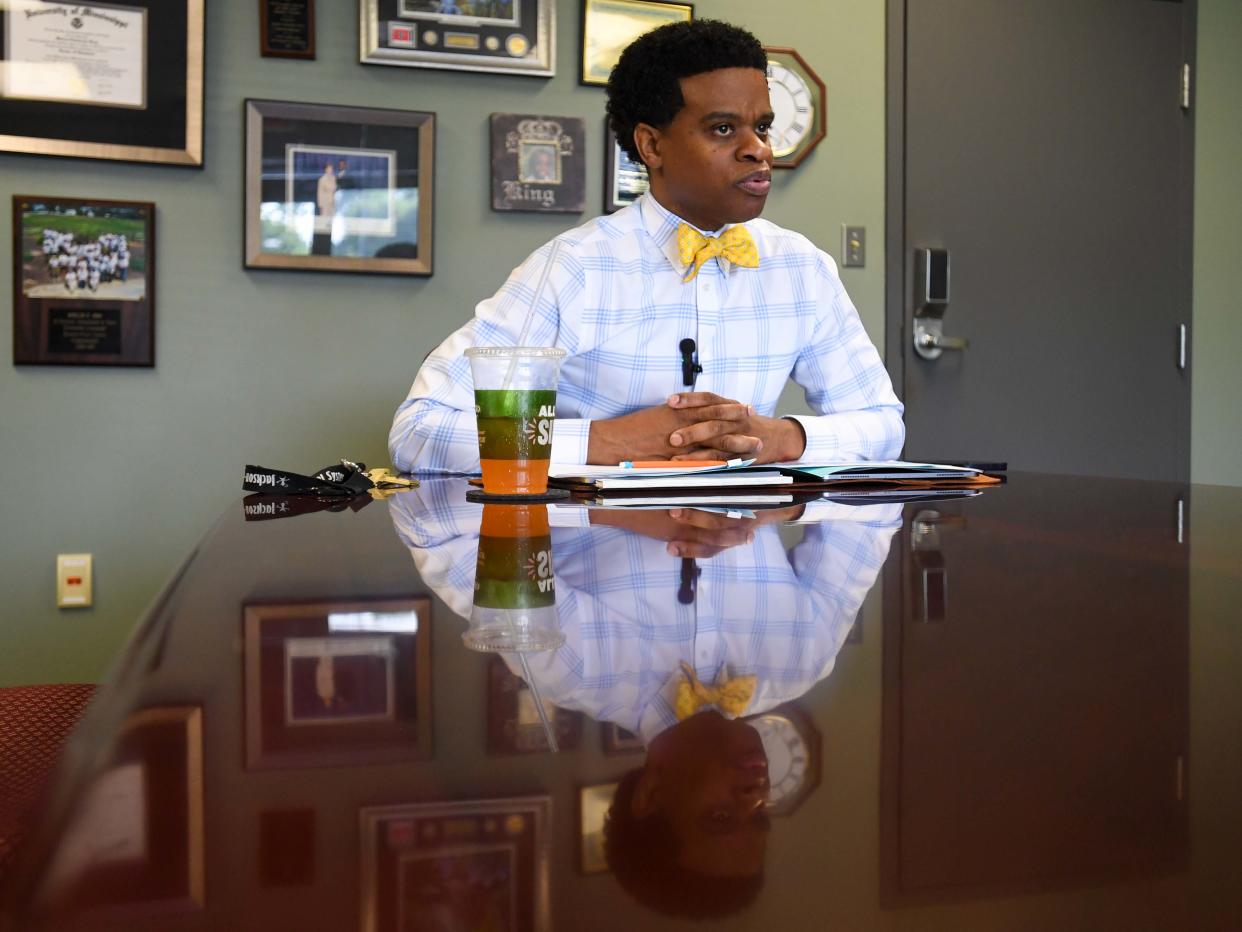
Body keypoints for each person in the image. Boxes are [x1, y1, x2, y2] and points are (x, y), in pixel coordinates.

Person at [391, 19, 903, 473]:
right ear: (651, 145)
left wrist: (781, 438)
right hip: (598, 557)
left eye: (762, 127)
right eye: (724, 128)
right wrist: (607, 440)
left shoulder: (802, 269)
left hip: (750, 565)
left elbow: (883, 425)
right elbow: (421, 430)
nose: (758, 150)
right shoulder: (575, 269)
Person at [389, 477, 900, 917]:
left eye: (721, 817)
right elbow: (876, 505)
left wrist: (622, 510)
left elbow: (437, 521)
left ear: (651, 796)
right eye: (760, 816)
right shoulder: (800, 659)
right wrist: (780, 504)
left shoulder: (569, 668)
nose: (756, 796)